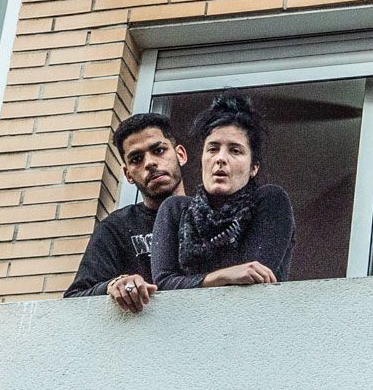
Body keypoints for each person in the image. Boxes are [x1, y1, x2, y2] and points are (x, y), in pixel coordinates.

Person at [150, 92, 295, 291]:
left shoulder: (270, 201)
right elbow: (163, 283)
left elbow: (254, 277)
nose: (220, 158)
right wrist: (221, 276)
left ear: (254, 167)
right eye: (213, 149)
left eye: (235, 150)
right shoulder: (175, 210)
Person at [63, 112, 187, 312]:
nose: (150, 163)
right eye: (137, 159)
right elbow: (74, 301)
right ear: (128, 174)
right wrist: (114, 285)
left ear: (180, 155)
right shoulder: (117, 228)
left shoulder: (212, 215)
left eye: (159, 150)